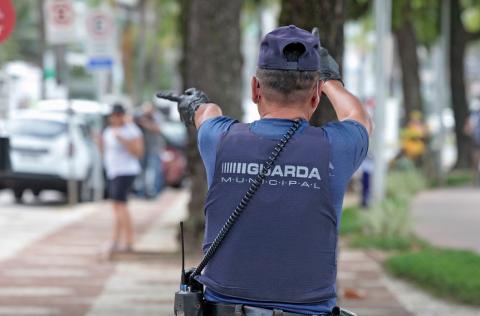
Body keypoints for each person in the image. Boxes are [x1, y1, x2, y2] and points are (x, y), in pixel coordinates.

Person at [159, 25, 372, 316]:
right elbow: (357, 117)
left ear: (255, 89)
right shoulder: (336, 148)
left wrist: (195, 103)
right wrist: (330, 79)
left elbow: (206, 113)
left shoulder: (219, 140)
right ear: (316, 95)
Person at [102, 103, 144, 254]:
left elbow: (138, 152)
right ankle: (115, 239)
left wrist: (123, 141)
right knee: (116, 207)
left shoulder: (131, 131)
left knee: (121, 206)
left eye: (119, 115)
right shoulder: (108, 131)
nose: (116, 118)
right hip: (113, 172)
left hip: (126, 171)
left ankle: (129, 240)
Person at [135, 101, 165, 198]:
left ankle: (154, 192)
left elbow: (158, 129)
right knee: (142, 171)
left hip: (154, 148)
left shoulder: (157, 117)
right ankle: (142, 191)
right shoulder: (140, 117)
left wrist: (145, 123)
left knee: (154, 171)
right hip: (143, 148)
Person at [464, 100, 480, 185]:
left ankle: (475, 180)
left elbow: (467, 129)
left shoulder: (472, 116)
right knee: (475, 161)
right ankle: (476, 180)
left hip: (475, 140)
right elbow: (467, 129)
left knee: (475, 161)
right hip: (476, 141)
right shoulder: (472, 116)